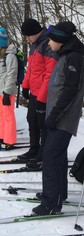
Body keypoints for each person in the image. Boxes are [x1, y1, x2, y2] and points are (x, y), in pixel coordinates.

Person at [32, 21, 84, 216]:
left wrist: (54, 115)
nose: (48, 43)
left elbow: (71, 90)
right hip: (58, 116)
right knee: (58, 156)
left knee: (51, 157)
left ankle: (51, 203)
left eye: (51, 40)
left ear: (60, 40)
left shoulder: (74, 57)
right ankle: (58, 195)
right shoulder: (66, 55)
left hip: (64, 117)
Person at [17, 19, 58, 170]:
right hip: (34, 91)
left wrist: (42, 97)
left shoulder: (48, 44)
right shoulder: (35, 45)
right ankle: (34, 148)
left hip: (44, 94)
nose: (27, 39)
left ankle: (43, 153)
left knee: (43, 125)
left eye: (28, 36)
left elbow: (50, 74)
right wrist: (25, 86)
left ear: (35, 32)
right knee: (31, 120)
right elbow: (31, 69)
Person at [0, 27, 18, 148]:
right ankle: (2, 136)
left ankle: (10, 140)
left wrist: (7, 92)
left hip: (7, 92)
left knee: (8, 115)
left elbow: (12, 75)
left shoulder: (10, 57)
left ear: (1, 45)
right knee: (1, 114)